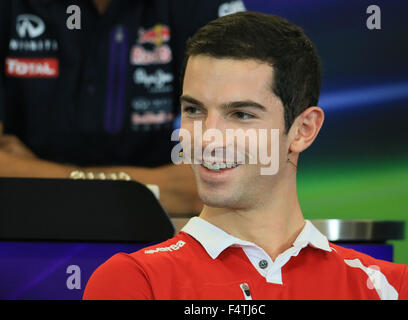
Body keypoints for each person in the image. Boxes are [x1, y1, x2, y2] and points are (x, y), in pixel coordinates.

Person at [83, 11, 408, 299]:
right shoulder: (133, 282)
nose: (208, 138)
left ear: (303, 130)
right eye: (194, 110)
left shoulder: (396, 289)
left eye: (241, 114)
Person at [0, 0, 246, 215]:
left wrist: (39, 176)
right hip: (26, 222)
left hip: (160, 228)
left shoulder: (199, 6)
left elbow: (213, 184)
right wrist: (159, 185)